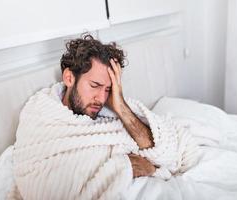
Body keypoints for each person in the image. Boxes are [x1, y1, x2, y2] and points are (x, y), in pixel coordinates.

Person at [10, 34, 199, 199]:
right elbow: (40, 187)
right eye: (94, 85)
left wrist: (121, 107)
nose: (101, 98)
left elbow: (170, 153)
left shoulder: (111, 108)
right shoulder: (41, 115)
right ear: (69, 78)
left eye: (108, 89)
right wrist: (125, 167)